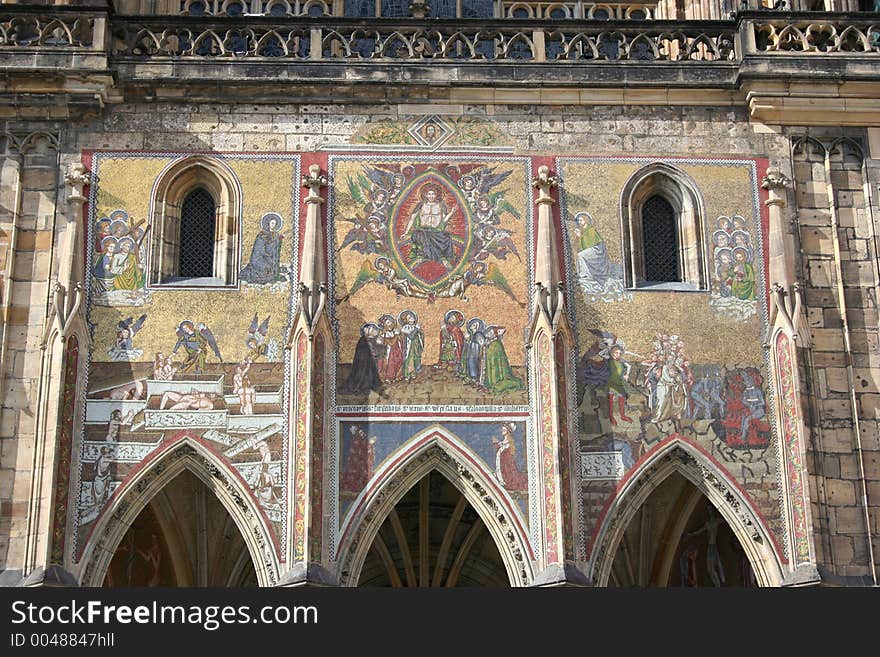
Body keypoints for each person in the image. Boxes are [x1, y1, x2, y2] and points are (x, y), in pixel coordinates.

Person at [401, 184, 456, 268]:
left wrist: (451, 213)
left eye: (433, 194)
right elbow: (412, 218)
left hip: (436, 230)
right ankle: (423, 257)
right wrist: (406, 232)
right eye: (429, 194)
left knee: (446, 237)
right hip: (423, 230)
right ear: (425, 195)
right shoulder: (421, 205)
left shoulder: (441, 205)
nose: (431, 196)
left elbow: (444, 220)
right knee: (421, 236)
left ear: (436, 195)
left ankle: (443, 259)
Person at [687, 506, 726, 587]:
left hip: (713, 546)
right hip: (710, 546)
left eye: (711, 511)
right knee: (711, 568)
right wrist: (691, 534)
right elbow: (699, 531)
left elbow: (727, 519)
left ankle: (719, 583)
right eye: (709, 511)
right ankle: (717, 583)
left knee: (717, 565)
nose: (710, 513)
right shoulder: (708, 524)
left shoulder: (716, 521)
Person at [339, 323, 382, 395]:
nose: (370, 330)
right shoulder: (362, 340)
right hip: (362, 361)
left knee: (370, 372)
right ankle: (362, 386)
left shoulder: (370, 339)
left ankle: (369, 385)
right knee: (361, 374)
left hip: (368, 361)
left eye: (371, 329)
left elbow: (374, 349)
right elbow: (361, 352)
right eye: (368, 329)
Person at [240, 213, 284, 284]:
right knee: (266, 268)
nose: (274, 225)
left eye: (275, 223)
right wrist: (267, 254)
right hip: (259, 258)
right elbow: (259, 249)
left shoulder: (276, 235)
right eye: (272, 223)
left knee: (273, 269)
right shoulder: (261, 235)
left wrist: (279, 240)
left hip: (270, 258)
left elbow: (275, 247)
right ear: (268, 223)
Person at [482, 325, 524, 394]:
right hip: (492, 365)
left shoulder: (496, 344)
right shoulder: (491, 342)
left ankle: (495, 383)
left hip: (497, 367)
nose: (488, 334)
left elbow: (497, 356)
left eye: (490, 333)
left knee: (497, 378)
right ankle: (491, 382)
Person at [340, 424, 377, 494]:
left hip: (360, 461)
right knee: (356, 473)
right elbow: (355, 451)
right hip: (357, 462)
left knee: (361, 472)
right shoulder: (356, 441)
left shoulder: (360, 440)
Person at [492, 422, 527, 492]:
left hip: (506, 465)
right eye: (502, 430)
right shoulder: (503, 441)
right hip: (502, 464)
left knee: (510, 478)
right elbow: (500, 446)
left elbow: (507, 453)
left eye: (504, 430)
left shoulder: (509, 441)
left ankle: (505, 481)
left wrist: (497, 444)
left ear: (508, 432)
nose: (502, 431)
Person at [375, 314, 403, 384]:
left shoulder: (394, 332)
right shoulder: (384, 335)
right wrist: (396, 335)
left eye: (390, 322)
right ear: (383, 325)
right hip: (389, 352)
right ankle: (388, 378)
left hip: (397, 351)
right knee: (390, 364)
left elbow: (400, 341)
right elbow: (391, 343)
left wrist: (399, 336)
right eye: (387, 323)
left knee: (398, 362)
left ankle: (396, 376)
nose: (390, 324)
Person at [399, 310, 424, 382]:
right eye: (409, 318)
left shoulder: (416, 326)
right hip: (409, 346)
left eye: (412, 318)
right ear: (406, 320)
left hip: (416, 345)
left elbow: (420, 336)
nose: (411, 319)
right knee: (408, 359)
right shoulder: (405, 327)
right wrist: (416, 329)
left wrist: (420, 332)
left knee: (416, 358)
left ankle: (413, 373)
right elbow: (411, 336)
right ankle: (407, 374)